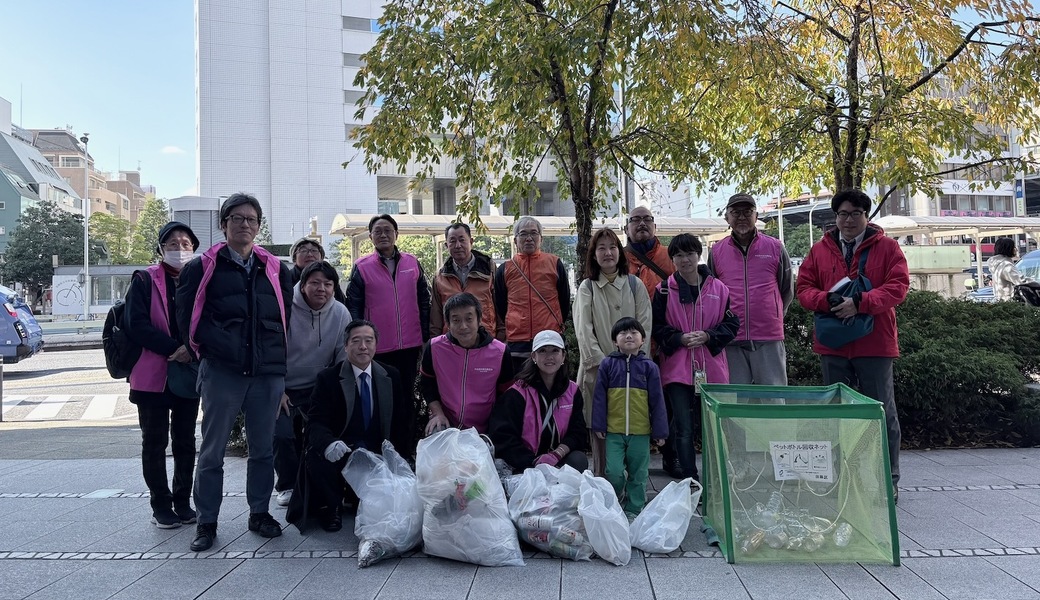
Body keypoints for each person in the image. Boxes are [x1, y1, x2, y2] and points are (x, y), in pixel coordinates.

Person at [176, 193, 293, 552]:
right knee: (212, 451)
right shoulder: (202, 266)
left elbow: (284, 318)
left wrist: (278, 371)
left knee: (262, 449)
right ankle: (207, 520)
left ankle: (259, 512)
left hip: (266, 372)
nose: (245, 224)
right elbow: (186, 319)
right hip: (222, 370)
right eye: (237, 218)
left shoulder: (275, 267)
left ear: (259, 226)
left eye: (252, 219)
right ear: (223, 223)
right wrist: (213, 349)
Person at [796, 188, 909, 500]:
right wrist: (827, 299)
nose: (848, 220)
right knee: (834, 413)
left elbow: (898, 287)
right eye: (843, 214)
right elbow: (803, 288)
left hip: (874, 342)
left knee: (881, 412)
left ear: (866, 216)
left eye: (855, 213)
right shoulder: (820, 250)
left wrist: (861, 302)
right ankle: (836, 477)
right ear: (836, 217)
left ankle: (888, 480)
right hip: (833, 344)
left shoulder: (887, 247)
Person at [287, 320, 413, 532]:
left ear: (376, 345)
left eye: (368, 340)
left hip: (375, 449)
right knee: (317, 455)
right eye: (356, 341)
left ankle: (357, 499)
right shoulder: (328, 378)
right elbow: (315, 422)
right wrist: (329, 443)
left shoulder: (390, 375)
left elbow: (402, 421)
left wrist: (401, 456)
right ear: (345, 346)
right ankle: (331, 507)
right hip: (342, 448)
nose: (363, 346)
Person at [124, 221, 202, 529]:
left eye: (185, 243)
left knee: (185, 440)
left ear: (193, 248)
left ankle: (183, 501)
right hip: (152, 374)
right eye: (172, 243)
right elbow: (136, 323)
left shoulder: (200, 279)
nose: (179, 249)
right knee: (153, 441)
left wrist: (190, 349)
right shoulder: (144, 279)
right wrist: (175, 348)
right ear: (160, 248)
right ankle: (160, 503)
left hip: (186, 373)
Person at [652, 233, 739, 481]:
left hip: (711, 370)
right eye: (678, 255)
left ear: (698, 255)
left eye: (689, 253)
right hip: (677, 370)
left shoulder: (719, 289)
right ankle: (689, 478)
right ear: (672, 259)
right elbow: (656, 327)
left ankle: (714, 477)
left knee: (712, 427)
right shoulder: (664, 290)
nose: (684, 259)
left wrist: (709, 336)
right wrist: (679, 338)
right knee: (683, 427)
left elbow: (732, 325)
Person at [344, 214, 432, 455]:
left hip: (410, 345)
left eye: (387, 230)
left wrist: (424, 335)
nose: (383, 235)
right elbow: (354, 305)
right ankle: (379, 449)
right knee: (379, 401)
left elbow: (424, 300)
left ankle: (406, 451)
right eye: (377, 231)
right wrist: (359, 340)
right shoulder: (362, 267)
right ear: (370, 236)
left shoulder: (412, 263)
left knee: (405, 400)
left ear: (396, 234)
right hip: (378, 348)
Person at [273, 261, 351, 509]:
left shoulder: (340, 313)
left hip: (318, 387)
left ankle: (324, 483)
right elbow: (271, 351)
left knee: (325, 432)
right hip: (283, 386)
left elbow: (342, 358)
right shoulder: (284, 308)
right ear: (302, 285)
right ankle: (286, 484)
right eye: (315, 283)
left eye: (328, 284)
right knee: (283, 434)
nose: (322, 289)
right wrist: (277, 389)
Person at [573, 227, 651, 476]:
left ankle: (632, 489)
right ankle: (604, 488)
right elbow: (583, 330)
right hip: (598, 371)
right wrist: (603, 364)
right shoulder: (588, 287)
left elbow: (645, 325)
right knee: (602, 432)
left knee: (632, 427)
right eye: (601, 248)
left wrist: (636, 362)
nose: (608, 253)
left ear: (620, 252)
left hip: (633, 372)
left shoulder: (634, 284)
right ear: (593, 255)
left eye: (613, 247)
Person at [707, 193, 793, 385]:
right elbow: (712, 294)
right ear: (727, 218)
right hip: (731, 338)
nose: (742, 217)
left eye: (748, 212)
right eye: (736, 212)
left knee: (773, 399)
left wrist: (775, 313)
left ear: (756, 216)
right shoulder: (717, 251)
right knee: (734, 402)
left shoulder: (775, 247)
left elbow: (786, 289)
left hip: (768, 336)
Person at [623, 205, 681, 478]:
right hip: (629, 344)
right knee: (629, 402)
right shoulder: (619, 258)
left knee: (668, 403)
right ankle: (630, 464)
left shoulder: (670, 255)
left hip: (666, 342)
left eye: (647, 219)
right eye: (635, 220)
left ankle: (673, 457)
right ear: (627, 228)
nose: (641, 224)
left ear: (655, 227)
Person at [592, 317, 669, 516]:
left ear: (643, 339)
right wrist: (598, 425)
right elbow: (599, 398)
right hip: (613, 432)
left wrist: (660, 431)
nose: (628, 336)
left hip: (640, 432)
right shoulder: (607, 364)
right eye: (623, 333)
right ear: (615, 341)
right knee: (614, 471)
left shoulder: (649, 367)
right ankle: (615, 499)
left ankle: (634, 507)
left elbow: (657, 401)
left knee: (639, 473)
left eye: (634, 332)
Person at [489, 330, 589, 473]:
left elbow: (577, 432)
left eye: (555, 351)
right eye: (542, 351)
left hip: (557, 458)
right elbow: (503, 437)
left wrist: (557, 454)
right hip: (526, 462)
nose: (549, 357)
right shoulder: (517, 394)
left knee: (578, 460)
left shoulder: (572, 391)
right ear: (533, 356)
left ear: (563, 356)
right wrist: (534, 462)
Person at [419, 292, 513, 435]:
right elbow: (427, 384)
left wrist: (497, 425)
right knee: (435, 431)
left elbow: (505, 394)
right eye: (456, 320)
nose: (463, 326)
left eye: (469, 319)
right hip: (447, 423)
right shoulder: (434, 348)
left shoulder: (499, 352)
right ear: (448, 323)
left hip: (486, 427)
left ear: (479, 319)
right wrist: (438, 413)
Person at [494, 216, 571, 373]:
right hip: (517, 339)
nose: (529, 238)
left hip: (549, 336)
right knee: (520, 387)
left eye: (533, 233)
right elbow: (500, 304)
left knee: (550, 385)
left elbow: (564, 300)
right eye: (523, 234)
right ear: (515, 240)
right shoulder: (505, 269)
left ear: (541, 238)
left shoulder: (555, 263)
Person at [430, 222, 503, 340]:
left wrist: (501, 340)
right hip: (452, 341)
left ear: (471, 242)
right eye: (452, 241)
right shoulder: (440, 277)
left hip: (485, 339)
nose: (458, 245)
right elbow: (436, 316)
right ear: (446, 245)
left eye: (462, 240)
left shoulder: (489, 271)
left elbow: (500, 306)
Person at [289, 238, 346, 303]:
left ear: (321, 257)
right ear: (294, 258)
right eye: (303, 251)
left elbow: (341, 302)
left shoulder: (329, 276)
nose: (310, 255)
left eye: (314, 250)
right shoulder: (286, 278)